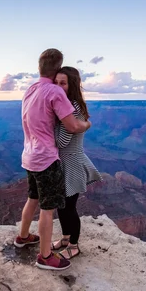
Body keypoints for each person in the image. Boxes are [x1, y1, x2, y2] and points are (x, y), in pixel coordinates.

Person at [15, 49, 91, 271]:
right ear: (57, 68)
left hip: (28, 155)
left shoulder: (31, 89)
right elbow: (73, 126)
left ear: (39, 67)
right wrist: (87, 124)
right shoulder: (54, 92)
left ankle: (22, 237)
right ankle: (46, 256)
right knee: (48, 209)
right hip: (46, 158)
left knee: (32, 198)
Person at [51, 67, 103, 259]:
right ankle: (65, 238)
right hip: (64, 162)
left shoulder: (72, 106)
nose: (58, 86)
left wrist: (49, 127)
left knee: (69, 207)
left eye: (62, 83)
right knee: (62, 205)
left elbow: (62, 141)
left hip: (72, 163)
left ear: (71, 85)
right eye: (55, 82)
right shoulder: (65, 104)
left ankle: (74, 245)